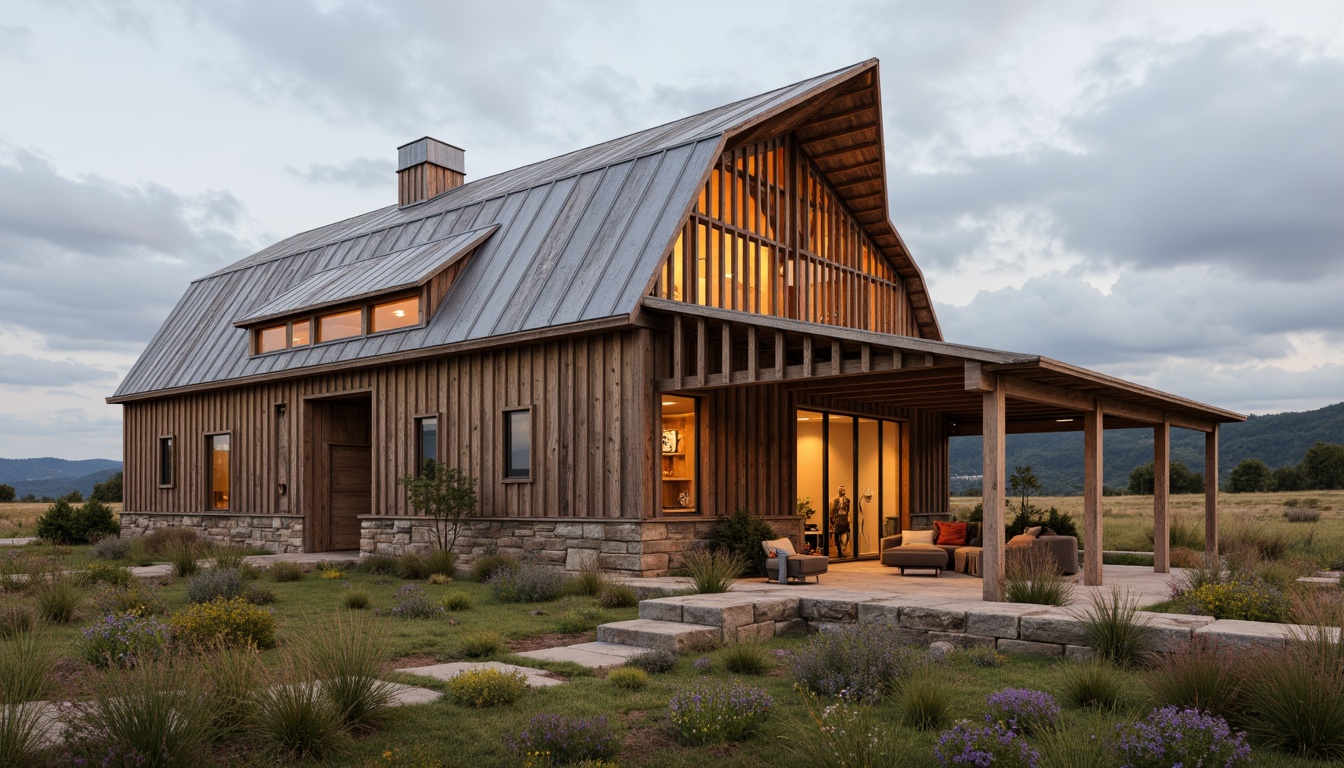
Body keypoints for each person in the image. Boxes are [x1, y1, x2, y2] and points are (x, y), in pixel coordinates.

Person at [830, 486, 851, 557]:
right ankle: (840, 552)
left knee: (845, 538)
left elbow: (848, 511)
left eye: (843, 489)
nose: (842, 491)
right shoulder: (835, 500)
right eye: (840, 490)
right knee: (837, 538)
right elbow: (832, 512)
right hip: (837, 521)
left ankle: (842, 551)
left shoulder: (847, 500)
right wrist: (832, 522)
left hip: (845, 521)